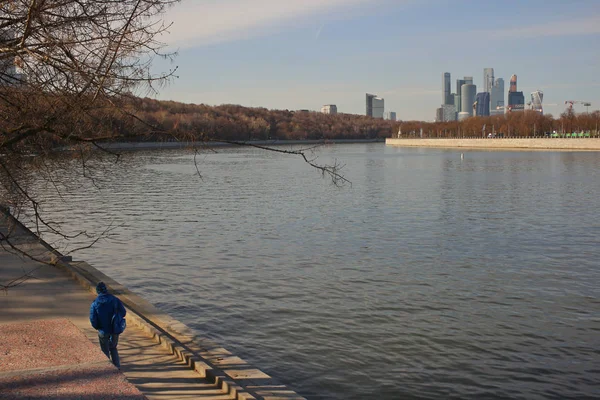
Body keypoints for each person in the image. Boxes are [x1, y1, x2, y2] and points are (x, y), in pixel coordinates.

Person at [90, 282, 126, 368]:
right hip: (114, 329)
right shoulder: (115, 299)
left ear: (97, 291)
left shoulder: (95, 303)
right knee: (113, 348)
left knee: (104, 350)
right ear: (106, 290)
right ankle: (117, 367)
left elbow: (92, 318)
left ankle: (108, 369)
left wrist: (97, 326)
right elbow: (123, 312)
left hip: (103, 330)